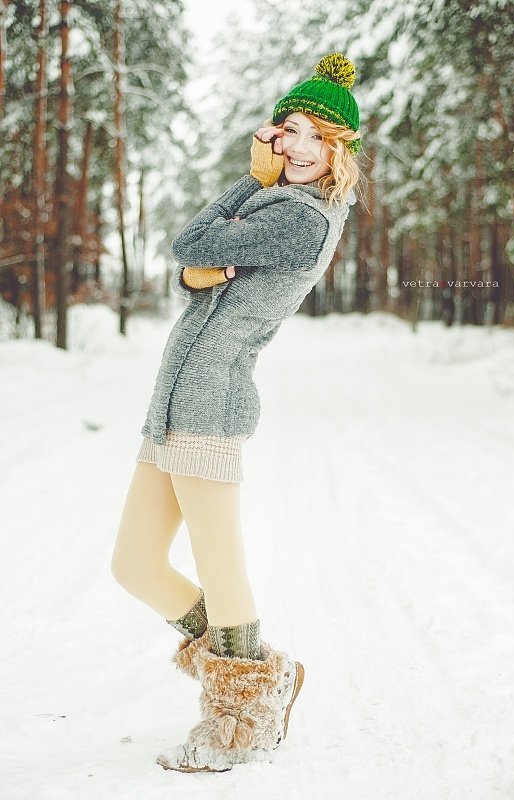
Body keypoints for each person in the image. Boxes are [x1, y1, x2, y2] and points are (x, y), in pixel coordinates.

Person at [110, 53, 363, 773]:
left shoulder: (300, 215)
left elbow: (192, 238)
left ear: (340, 149)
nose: (300, 146)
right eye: (289, 130)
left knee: (224, 573)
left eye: (318, 135)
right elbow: (203, 268)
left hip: (211, 402)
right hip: (172, 405)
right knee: (133, 564)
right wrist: (195, 282)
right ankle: (260, 667)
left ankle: (241, 716)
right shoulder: (280, 206)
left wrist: (248, 180)